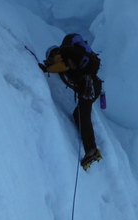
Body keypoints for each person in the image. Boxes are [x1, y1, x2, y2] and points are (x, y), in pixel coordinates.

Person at [40, 34, 103, 170]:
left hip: (88, 85)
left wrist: (47, 69)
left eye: (50, 58)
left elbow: (63, 66)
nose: (51, 61)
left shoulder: (61, 54)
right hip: (92, 86)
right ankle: (88, 143)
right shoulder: (72, 55)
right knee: (78, 114)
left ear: (53, 53)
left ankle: (91, 149)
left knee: (84, 115)